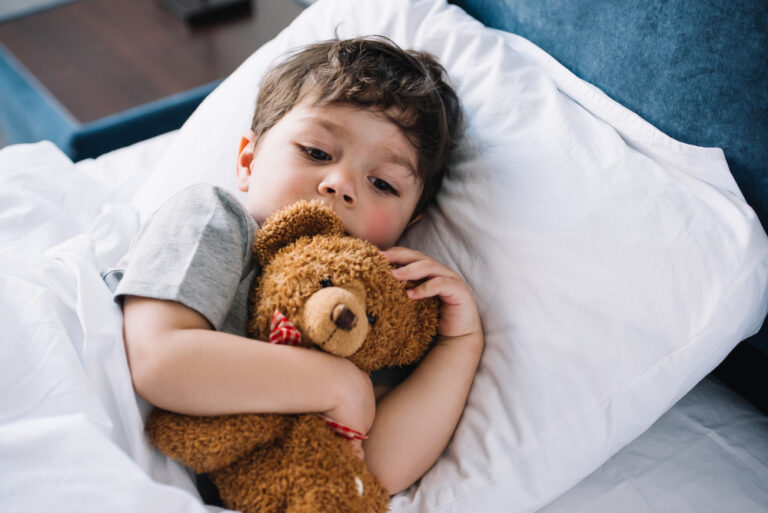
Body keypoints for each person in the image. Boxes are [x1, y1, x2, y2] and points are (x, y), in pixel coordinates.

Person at [111, 36, 483, 496]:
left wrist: (459, 344)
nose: (340, 184)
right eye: (316, 152)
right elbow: (159, 360)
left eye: (382, 184)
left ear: (410, 225)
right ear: (248, 161)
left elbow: (371, 470)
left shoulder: (368, 306)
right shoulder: (216, 219)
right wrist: (340, 386)